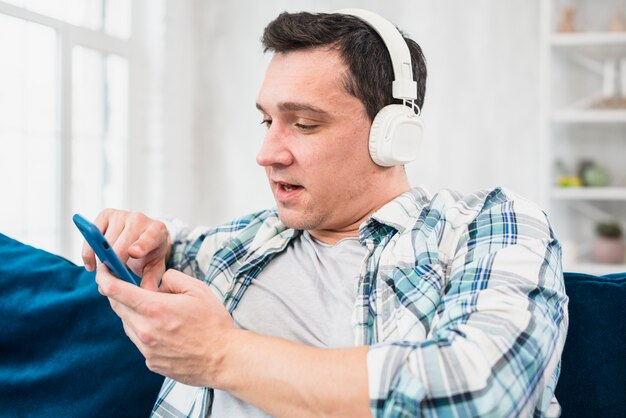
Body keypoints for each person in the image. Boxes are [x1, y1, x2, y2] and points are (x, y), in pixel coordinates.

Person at [83, 10, 568, 418]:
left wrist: (218, 354)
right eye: (267, 121)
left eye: (305, 124)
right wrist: (146, 237)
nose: (267, 152)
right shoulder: (252, 238)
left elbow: (483, 394)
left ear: (393, 133)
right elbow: (168, 243)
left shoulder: (486, 225)